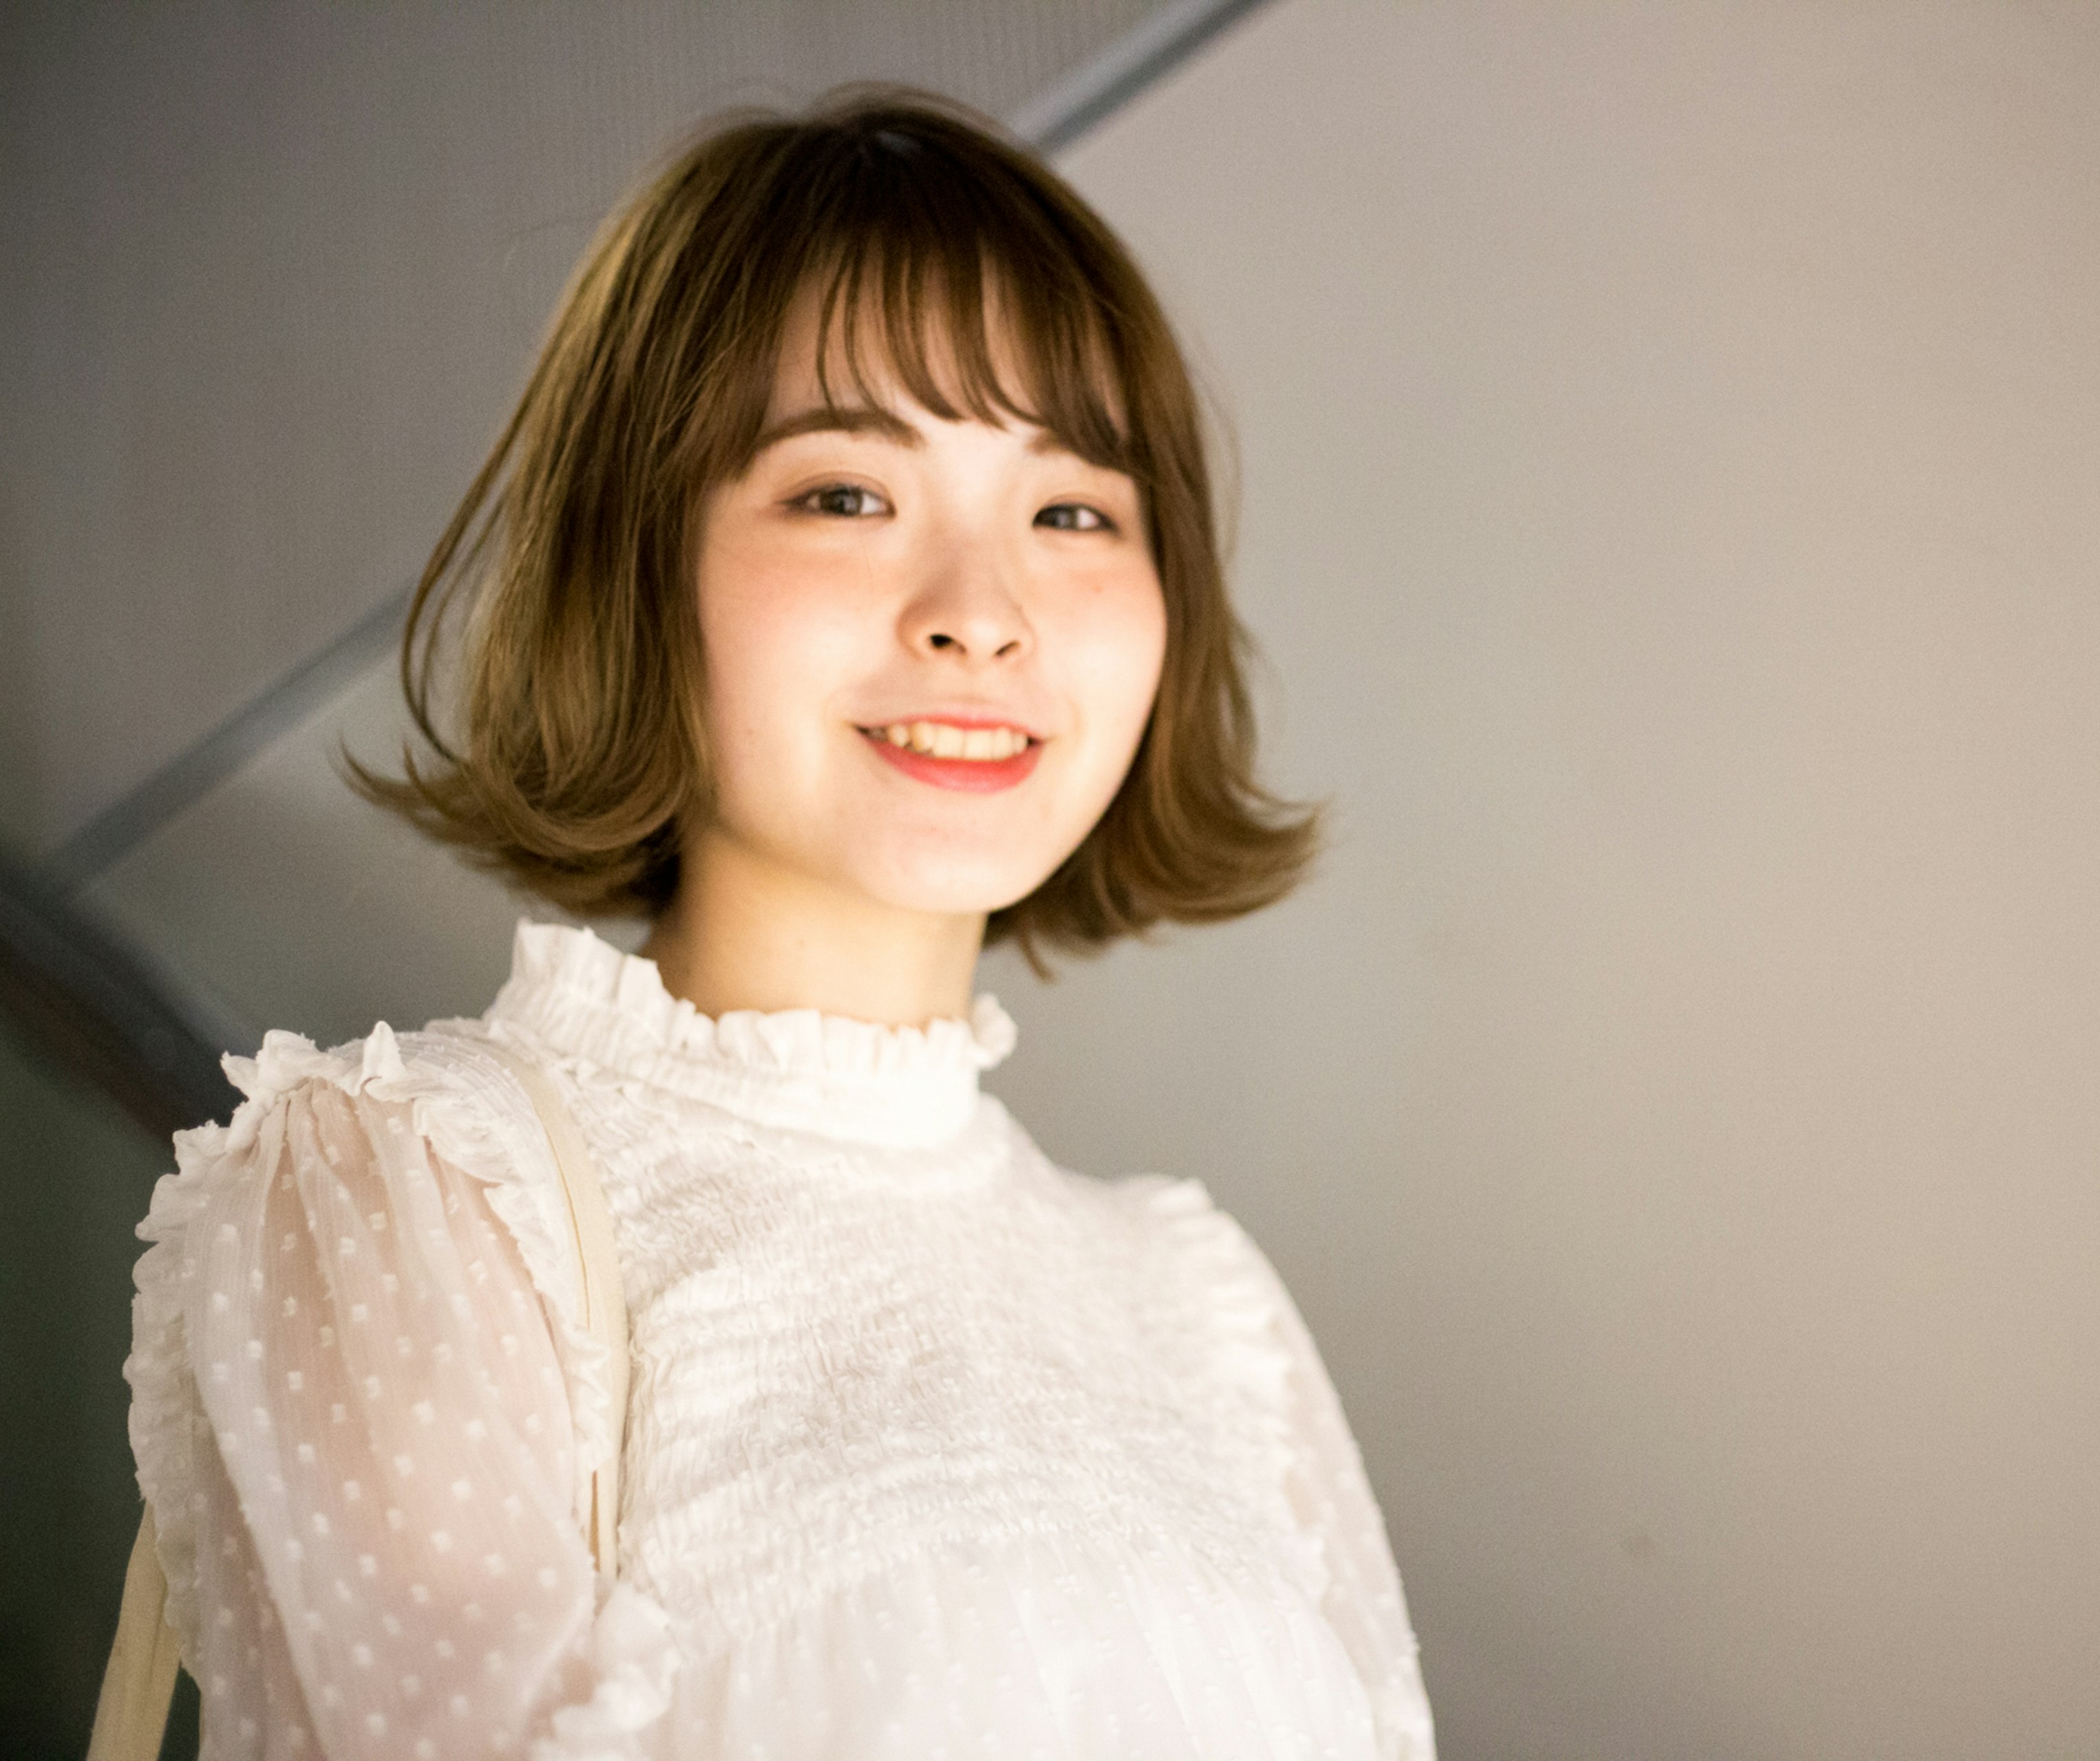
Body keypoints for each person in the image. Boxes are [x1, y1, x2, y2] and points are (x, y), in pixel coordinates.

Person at [123, 87, 1434, 1760]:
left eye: (1073, 513)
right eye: (844, 494)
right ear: (634, 557)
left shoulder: (1203, 1302)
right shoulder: (416, 1195)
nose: (980, 615)